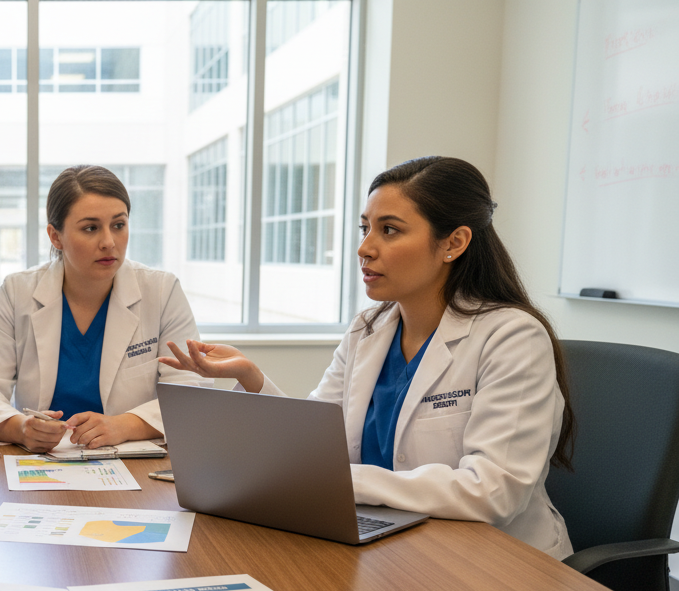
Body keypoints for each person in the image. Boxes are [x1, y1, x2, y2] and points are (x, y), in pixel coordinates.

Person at [160, 156, 575, 559]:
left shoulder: (511, 337)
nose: (364, 248)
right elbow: (313, 446)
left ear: (454, 242)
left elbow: (493, 491)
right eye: (365, 228)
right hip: (398, 546)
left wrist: (343, 482)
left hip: (497, 564)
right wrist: (251, 376)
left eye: (389, 230)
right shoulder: (369, 329)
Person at [0, 165, 207, 453]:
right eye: (90, 228)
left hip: (134, 461)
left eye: (118, 225)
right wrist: (21, 428)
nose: (108, 242)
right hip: (43, 462)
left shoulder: (161, 292)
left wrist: (123, 425)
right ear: (56, 237)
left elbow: (191, 392)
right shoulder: (18, 293)